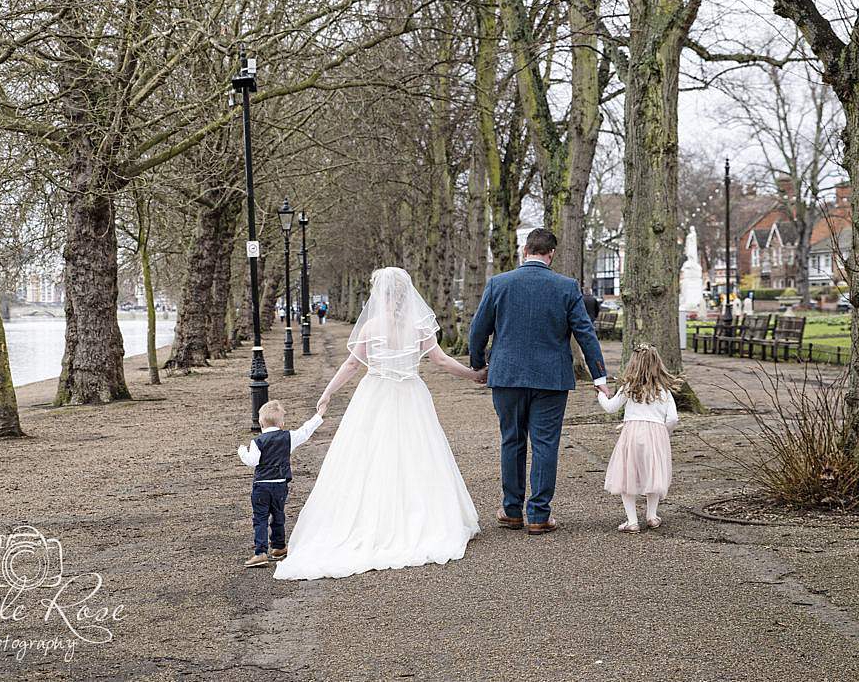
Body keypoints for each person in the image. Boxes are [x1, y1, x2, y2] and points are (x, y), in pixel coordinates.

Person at [274, 268, 484, 580]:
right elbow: (439, 360)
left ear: (379, 294)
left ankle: (373, 520)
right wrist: (473, 374)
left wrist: (328, 392)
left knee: (369, 456)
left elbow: (351, 364)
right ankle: (424, 517)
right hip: (412, 395)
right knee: (419, 455)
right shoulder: (417, 326)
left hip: (375, 395)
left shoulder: (372, 326)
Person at [469, 228, 609, 535]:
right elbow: (585, 333)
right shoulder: (566, 287)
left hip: (507, 376)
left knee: (512, 440)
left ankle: (511, 510)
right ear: (552, 253)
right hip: (551, 378)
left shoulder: (498, 283)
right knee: (546, 444)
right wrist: (599, 375)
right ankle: (539, 515)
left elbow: (478, 331)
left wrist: (479, 365)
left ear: (524, 250)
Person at [597, 343, 679, 533]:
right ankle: (651, 516)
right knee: (653, 474)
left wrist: (602, 395)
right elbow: (673, 418)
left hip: (633, 433)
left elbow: (611, 408)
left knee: (628, 474)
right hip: (657, 434)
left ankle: (632, 521)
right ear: (658, 364)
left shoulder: (629, 388)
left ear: (633, 364)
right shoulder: (663, 390)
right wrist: (665, 432)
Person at [238, 400, 326, 568]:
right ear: (282, 423)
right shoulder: (289, 437)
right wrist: (319, 414)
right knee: (278, 515)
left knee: (260, 518)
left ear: (261, 422)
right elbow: (305, 431)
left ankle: (261, 552)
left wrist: (242, 451)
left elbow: (252, 461)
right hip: (280, 485)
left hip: (262, 485)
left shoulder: (257, 441)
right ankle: (278, 546)